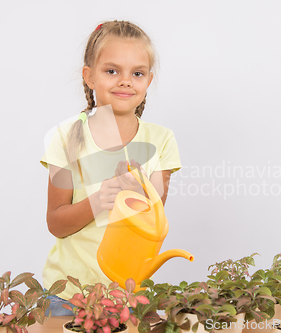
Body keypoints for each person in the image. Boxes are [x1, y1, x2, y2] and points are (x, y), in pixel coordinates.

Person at [40, 20, 182, 315]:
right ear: (89, 77)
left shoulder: (162, 140)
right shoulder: (65, 138)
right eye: (112, 71)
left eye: (137, 73)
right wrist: (99, 201)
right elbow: (56, 222)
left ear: (148, 80)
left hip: (127, 298)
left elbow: (156, 222)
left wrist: (139, 193)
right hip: (67, 298)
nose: (125, 81)